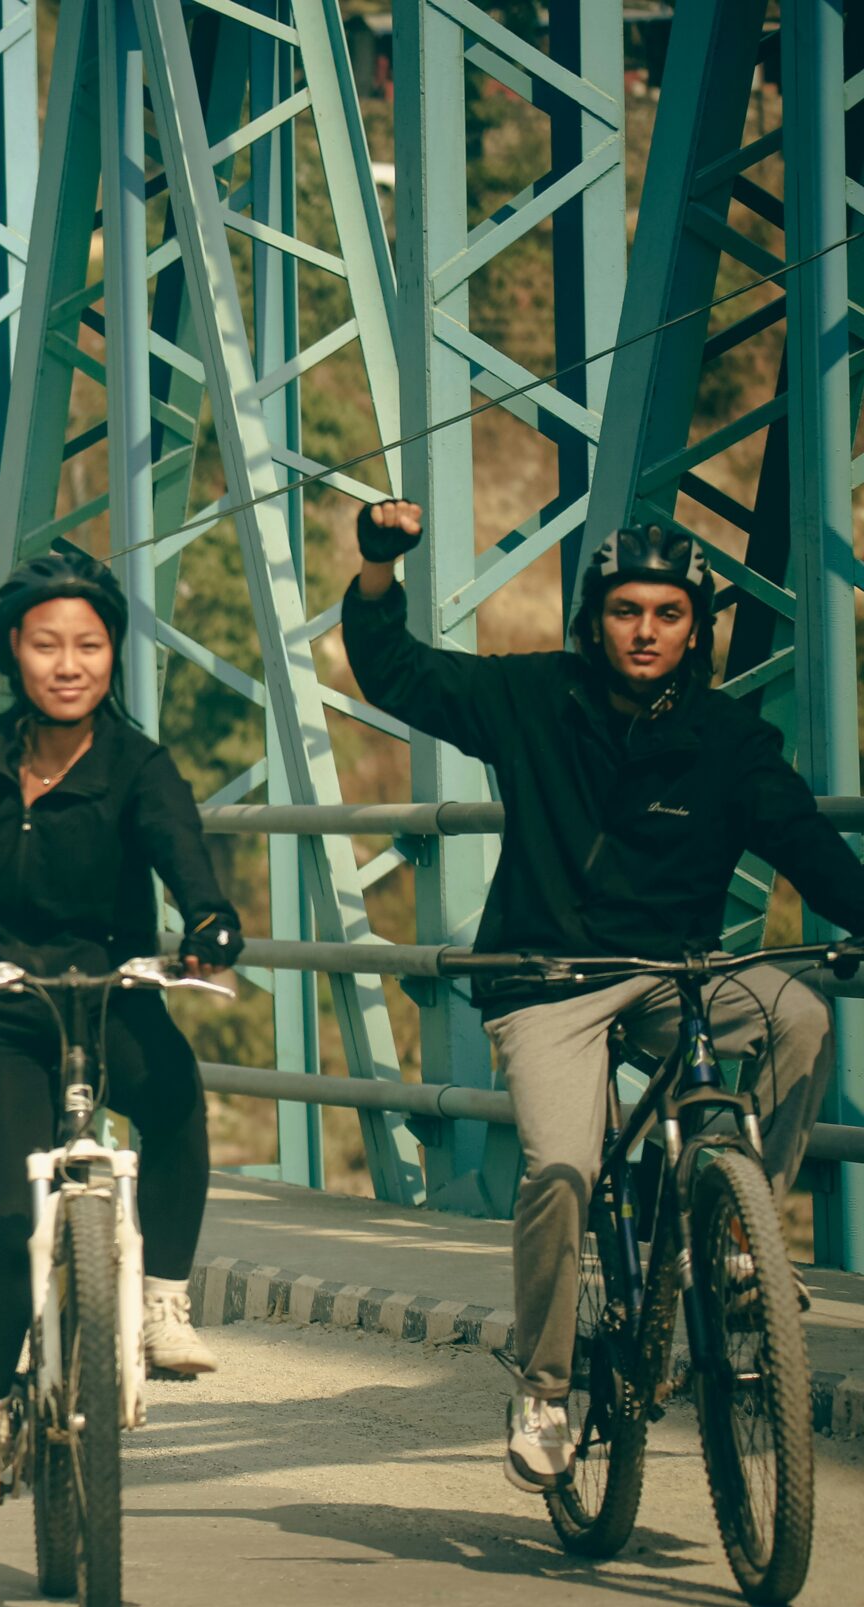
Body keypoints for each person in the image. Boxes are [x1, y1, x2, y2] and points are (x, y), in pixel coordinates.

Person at [343, 500, 864, 1492]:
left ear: (694, 628)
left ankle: (747, 1235)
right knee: (563, 1171)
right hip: (547, 981)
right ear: (594, 619)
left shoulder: (727, 739)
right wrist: (377, 568)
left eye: (669, 614)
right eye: (626, 610)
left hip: (679, 975)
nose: (645, 631)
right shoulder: (537, 699)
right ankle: (542, 1383)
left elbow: (806, 847)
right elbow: (399, 672)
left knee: (797, 1012)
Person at [0, 545, 244, 1528]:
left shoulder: (137, 765)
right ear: (11, 654)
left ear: (113, 656)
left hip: (111, 995)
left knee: (177, 1104)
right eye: (45, 645)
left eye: (90, 645)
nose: (69, 664)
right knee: (9, 1223)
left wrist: (207, 923)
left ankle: (159, 1301)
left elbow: (185, 859)